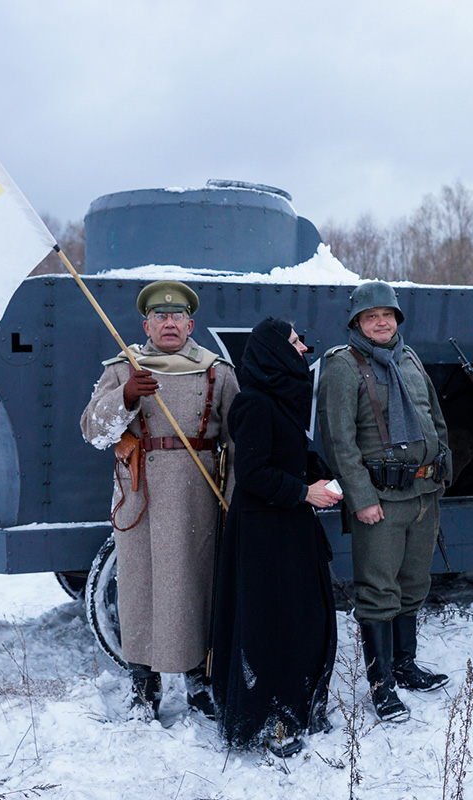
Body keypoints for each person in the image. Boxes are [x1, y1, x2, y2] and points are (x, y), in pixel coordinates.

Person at [80, 280, 237, 722]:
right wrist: (126, 395)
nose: (169, 324)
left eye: (177, 316)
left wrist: (233, 500)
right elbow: (93, 431)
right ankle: (143, 685)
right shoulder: (122, 368)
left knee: (197, 587)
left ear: (191, 323)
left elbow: (236, 440)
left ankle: (199, 681)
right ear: (145, 324)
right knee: (140, 590)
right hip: (141, 497)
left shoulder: (217, 372)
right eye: (160, 317)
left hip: (198, 499)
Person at [317, 281, 452, 723]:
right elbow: (339, 440)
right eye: (371, 316)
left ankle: (405, 664)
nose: (381, 322)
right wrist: (360, 497)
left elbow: (435, 417)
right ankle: (381, 684)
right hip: (380, 499)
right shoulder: (343, 365)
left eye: (388, 315)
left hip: (423, 493)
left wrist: (441, 469)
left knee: (414, 584)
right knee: (378, 591)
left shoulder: (409, 359)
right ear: (357, 322)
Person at [211, 318, 340, 757]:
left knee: (305, 619)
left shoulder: (282, 399)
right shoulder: (253, 403)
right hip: (265, 535)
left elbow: (286, 455)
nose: (303, 347)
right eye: (294, 341)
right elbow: (253, 474)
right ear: (273, 351)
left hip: (291, 527)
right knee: (272, 627)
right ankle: (270, 720)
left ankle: (299, 707)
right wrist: (305, 491)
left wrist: (316, 473)